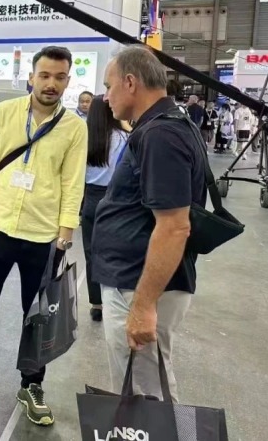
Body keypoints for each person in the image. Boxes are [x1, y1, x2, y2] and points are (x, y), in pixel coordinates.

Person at [0, 45, 87, 426]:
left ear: (67, 80)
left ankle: (32, 383)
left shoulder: (74, 127)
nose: (51, 84)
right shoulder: (5, 113)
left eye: (59, 77)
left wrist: (64, 235)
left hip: (43, 236)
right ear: (31, 77)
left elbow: (72, 184)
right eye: (44, 75)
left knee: (39, 315)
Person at [92, 45, 205, 402]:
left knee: (144, 395)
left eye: (108, 86)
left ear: (130, 83)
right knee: (142, 386)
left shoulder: (161, 135)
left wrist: (142, 306)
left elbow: (174, 226)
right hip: (134, 279)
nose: (105, 97)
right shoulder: (163, 126)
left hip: (138, 284)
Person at [82, 95, 128, 323]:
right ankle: (116, 299)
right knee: (116, 251)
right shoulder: (125, 137)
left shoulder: (84, 138)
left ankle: (96, 304)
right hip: (117, 199)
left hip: (90, 198)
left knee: (91, 252)